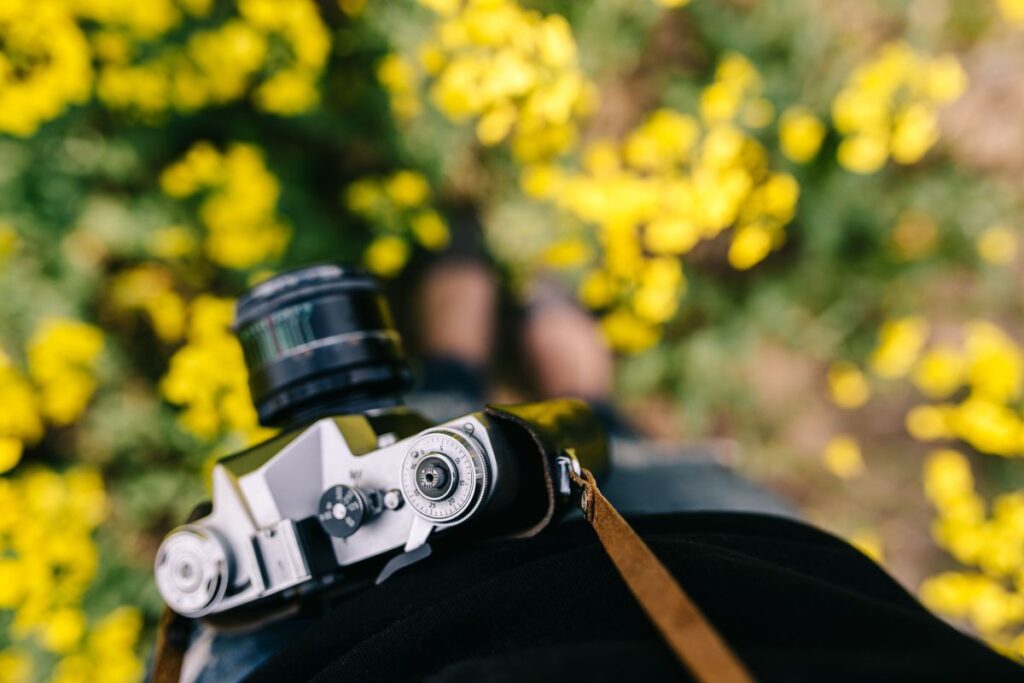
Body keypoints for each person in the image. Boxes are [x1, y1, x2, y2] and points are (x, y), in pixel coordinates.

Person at [170, 260, 1022, 682]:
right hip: (734, 589)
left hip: (314, 659)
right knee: (622, 466)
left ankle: (457, 375)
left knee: (449, 432)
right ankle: (577, 404)